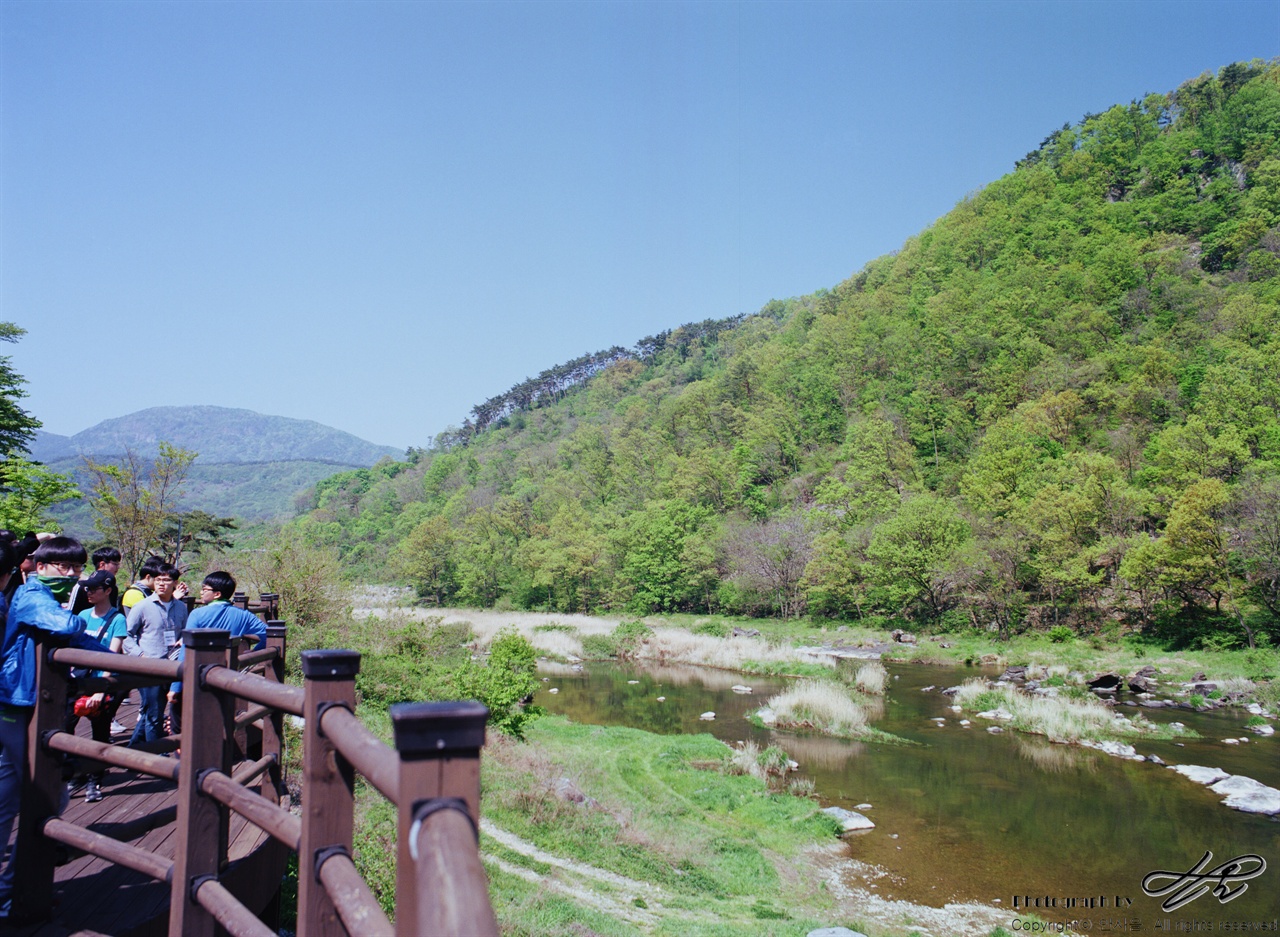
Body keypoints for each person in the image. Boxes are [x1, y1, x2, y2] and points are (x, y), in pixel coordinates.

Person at [0, 536, 102, 921]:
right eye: (66, 568)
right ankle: (15, 891)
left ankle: (9, 891)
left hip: (23, 705)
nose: (74, 575)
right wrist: (77, 613)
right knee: (42, 798)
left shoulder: (44, 596)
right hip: (20, 705)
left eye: (77, 568)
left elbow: (79, 638)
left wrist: (125, 664)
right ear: (40, 566)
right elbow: (65, 625)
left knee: (14, 798)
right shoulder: (31, 597)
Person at [167, 571, 266, 734]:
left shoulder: (197, 614)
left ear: (217, 594)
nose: (201, 592)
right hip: (225, 674)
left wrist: (176, 686)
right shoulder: (242, 615)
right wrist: (251, 655)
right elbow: (268, 634)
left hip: (196, 674)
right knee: (218, 717)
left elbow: (186, 649)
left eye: (204, 589)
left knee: (186, 721)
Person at [65, 571, 127, 802]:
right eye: (87, 589)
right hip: (77, 681)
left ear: (108, 591)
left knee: (99, 732)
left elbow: (113, 654)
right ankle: (74, 772)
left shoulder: (117, 619)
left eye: (94, 589)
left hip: (100, 682)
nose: (88, 592)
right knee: (66, 727)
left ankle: (95, 777)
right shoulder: (81, 614)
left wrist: (102, 689)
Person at [124, 564, 187, 746]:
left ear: (175, 583)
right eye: (158, 580)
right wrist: (140, 654)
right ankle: (156, 753)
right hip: (149, 666)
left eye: (166, 580)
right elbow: (127, 635)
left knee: (151, 710)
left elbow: (184, 631)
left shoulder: (181, 608)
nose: (161, 584)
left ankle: (133, 749)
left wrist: (182, 639)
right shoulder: (142, 606)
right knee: (154, 712)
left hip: (172, 665)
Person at [69, 546, 123, 615]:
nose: (117, 567)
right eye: (115, 564)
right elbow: (70, 614)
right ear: (102, 564)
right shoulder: (81, 586)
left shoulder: (113, 587)